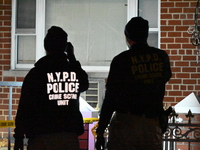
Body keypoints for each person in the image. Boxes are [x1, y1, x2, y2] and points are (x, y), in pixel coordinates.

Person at [95, 17, 172, 150]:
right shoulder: (161, 57)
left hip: (125, 123)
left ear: (127, 37)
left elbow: (110, 98)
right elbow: (164, 78)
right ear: (146, 35)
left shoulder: (121, 60)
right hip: (151, 124)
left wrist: (101, 131)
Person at [14, 26, 89, 150]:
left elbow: (25, 107)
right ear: (65, 47)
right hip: (69, 136)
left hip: (41, 136)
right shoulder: (73, 71)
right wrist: (72, 58)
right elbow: (84, 84)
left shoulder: (37, 73)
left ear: (45, 46)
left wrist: (19, 136)